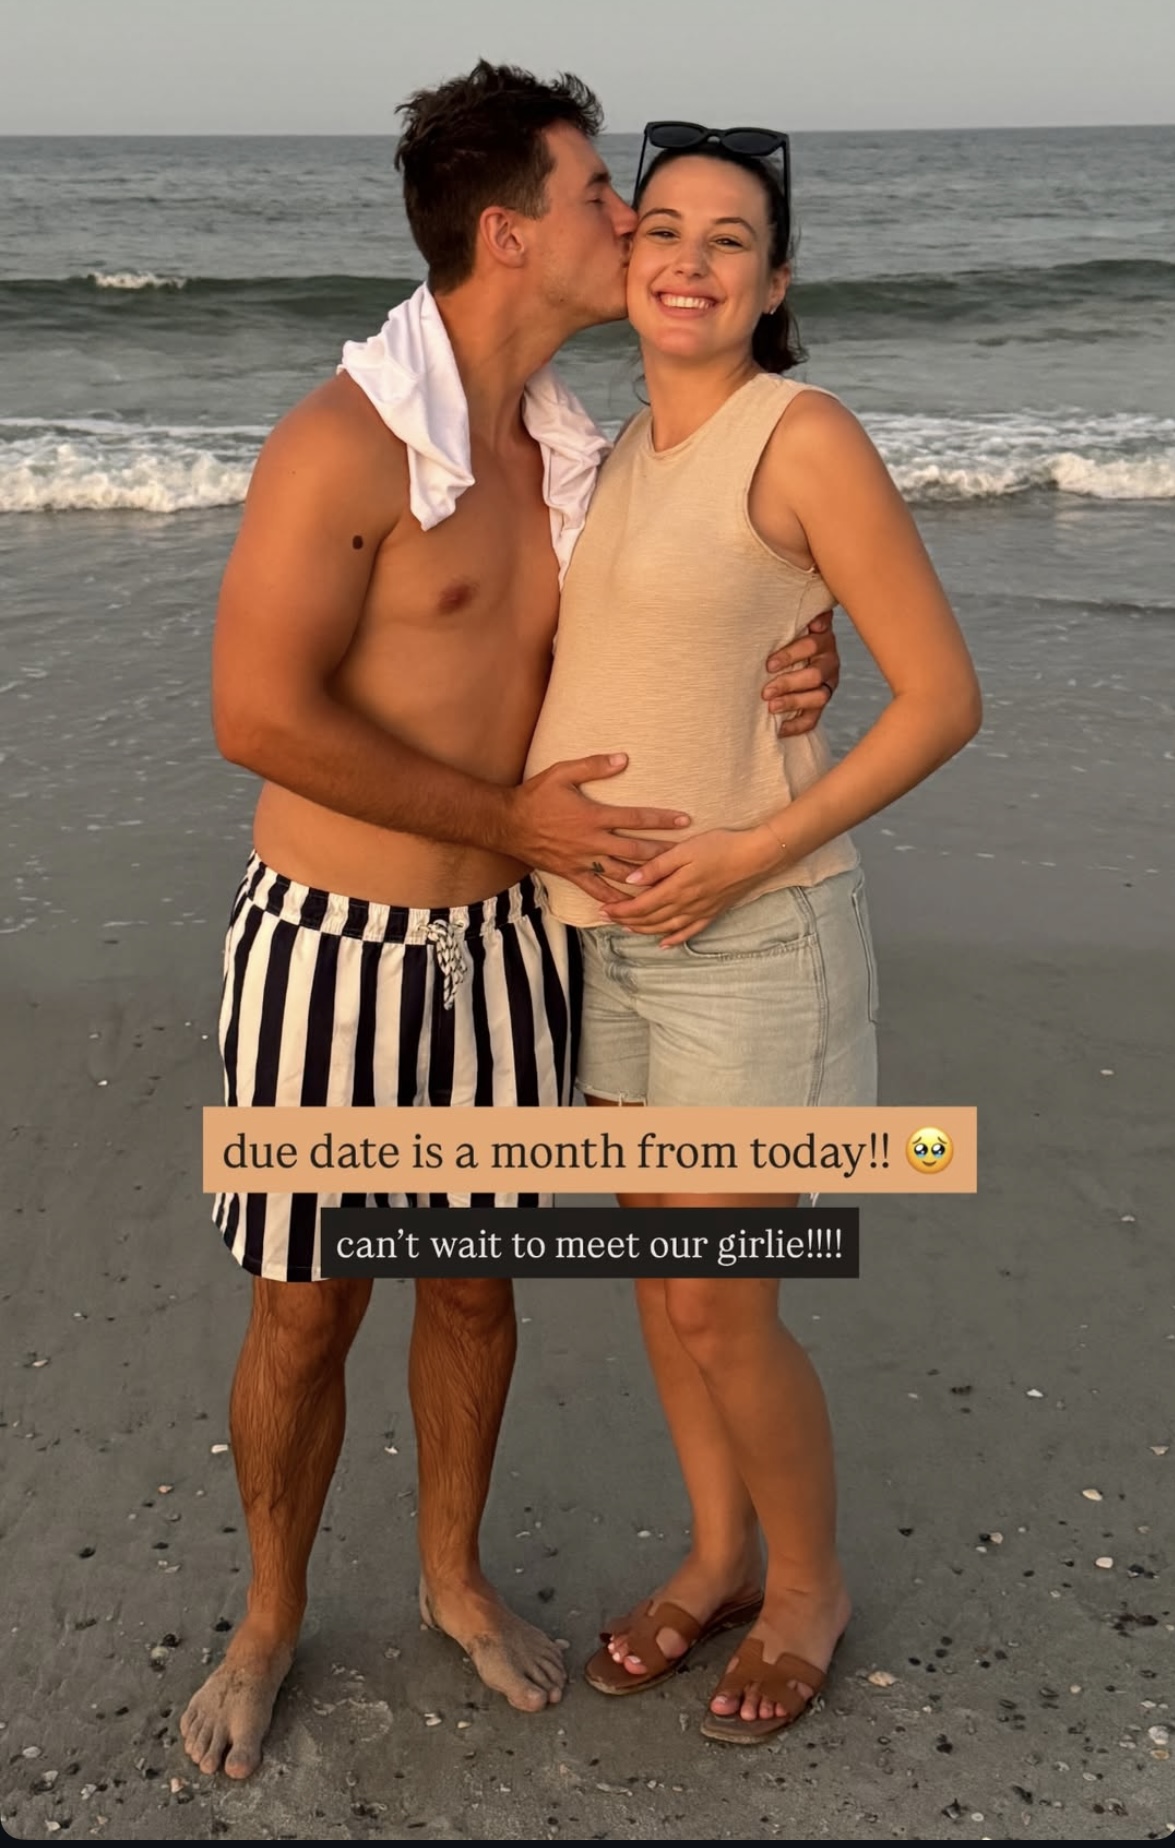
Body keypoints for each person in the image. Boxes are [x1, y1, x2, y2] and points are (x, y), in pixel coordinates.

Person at [180, 66, 843, 1780]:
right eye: (601, 196)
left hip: (509, 954)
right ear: (509, 234)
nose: (631, 223)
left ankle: (455, 1582)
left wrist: (803, 645)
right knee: (307, 1307)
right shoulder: (343, 443)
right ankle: (267, 1619)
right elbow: (255, 713)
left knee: (474, 1292)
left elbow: (682, 595)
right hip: (331, 950)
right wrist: (513, 821)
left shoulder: (568, 448)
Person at [523, 124, 982, 1743]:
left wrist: (745, 855)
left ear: (775, 283)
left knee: (726, 1297)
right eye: (662, 227)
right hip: (603, 940)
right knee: (664, 1281)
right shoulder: (604, 457)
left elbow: (945, 699)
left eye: (731, 239)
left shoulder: (803, 436)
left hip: (757, 937)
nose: (690, 260)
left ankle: (808, 1589)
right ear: (623, 257)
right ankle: (718, 1555)